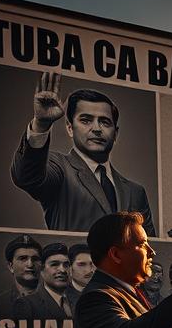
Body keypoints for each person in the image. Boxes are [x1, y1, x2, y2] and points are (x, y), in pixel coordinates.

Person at [11, 72, 155, 234]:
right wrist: (41, 124)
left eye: (104, 122)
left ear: (116, 133)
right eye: (86, 120)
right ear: (70, 128)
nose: (96, 129)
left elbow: (151, 249)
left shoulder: (136, 192)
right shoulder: (59, 168)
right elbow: (27, 177)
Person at [0, 234, 42, 324]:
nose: (30, 264)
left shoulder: (56, 301)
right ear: (11, 266)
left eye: (35, 259)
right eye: (23, 258)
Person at [14, 243, 74, 321]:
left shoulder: (78, 301)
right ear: (42, 270)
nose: (62, 270)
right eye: (54, 264)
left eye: (66, 265)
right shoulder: (26, 305)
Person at [66, 243, 96, 309]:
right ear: (70, 268)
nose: (89, 270)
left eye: (91, 264)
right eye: (82, 264)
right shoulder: (63, 296)